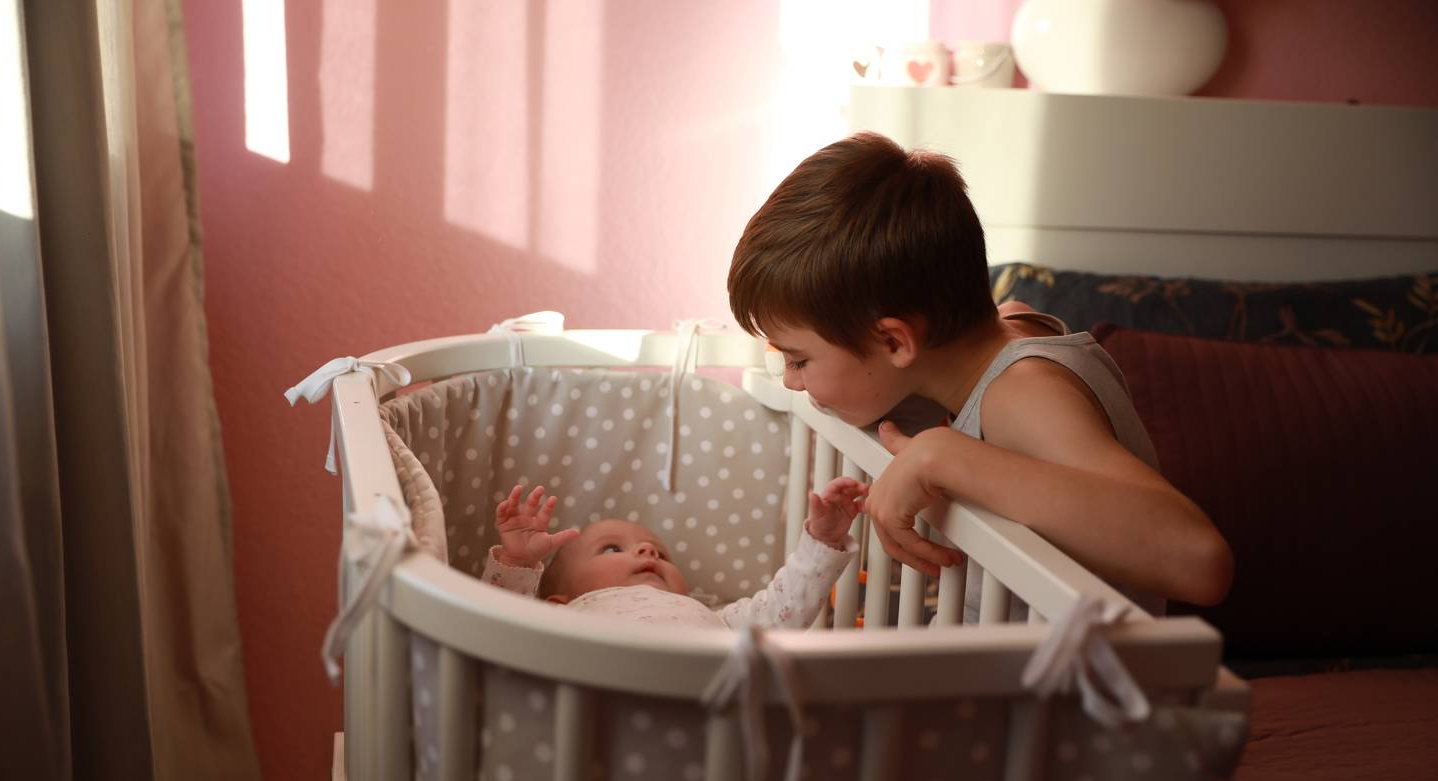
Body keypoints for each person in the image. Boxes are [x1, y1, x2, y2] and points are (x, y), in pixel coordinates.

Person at [727, 131, 1233, 614]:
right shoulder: (1010, 324)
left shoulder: (1023, 392)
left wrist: (942, 457)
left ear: (894, 342)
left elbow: (1200, 561)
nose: (790, 381)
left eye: (799, 360)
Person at [480, 481, 866, 628]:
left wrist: (821, 540)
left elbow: (784, 610)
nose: (647, 550)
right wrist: (517, 562)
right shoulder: (564, 619)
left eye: (662, 554)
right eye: (612, 548)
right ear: (558, 602)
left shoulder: (717, 618)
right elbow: (498, 627)